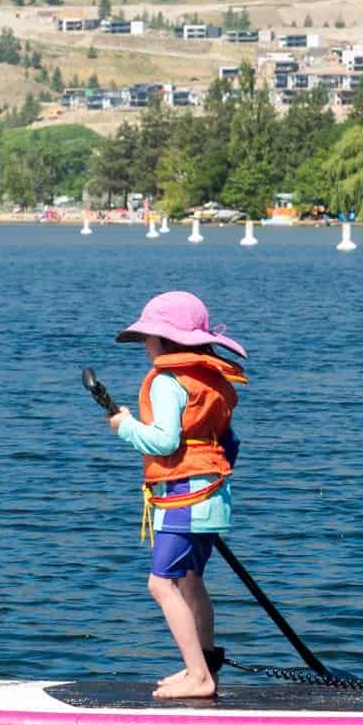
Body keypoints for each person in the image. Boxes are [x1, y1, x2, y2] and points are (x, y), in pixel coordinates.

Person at [104, 290, 247, 700]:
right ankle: (200, 668)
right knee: (189, 579)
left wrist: (125, 427)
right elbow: (229, 444)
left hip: (184, 500)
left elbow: (164, 442)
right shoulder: (212, 380)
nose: (146, 345)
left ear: (166, 341)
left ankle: (199, 678)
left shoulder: (168, 382)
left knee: (160, 584)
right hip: (214, 496)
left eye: (149, 337)